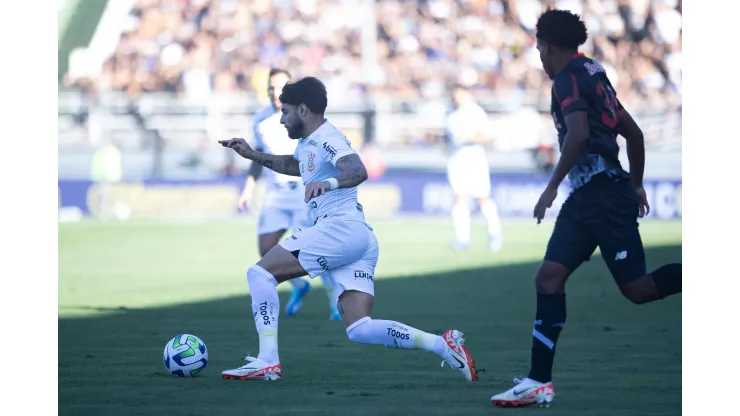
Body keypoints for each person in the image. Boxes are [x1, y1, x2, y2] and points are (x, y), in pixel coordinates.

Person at [219, 77, 478, 382]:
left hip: (337, 229)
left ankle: (267, 361)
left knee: (259, 274)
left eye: (286, 112)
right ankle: (442, 345)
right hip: (358, 237)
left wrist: (326, 183)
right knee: (359, 328)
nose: (281, 118)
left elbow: (358, 169)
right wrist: (253, 155)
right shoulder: (309, 142)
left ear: (303, 110)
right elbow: (295, 166)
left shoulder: (330, 138)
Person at [490, 9, 682, 408]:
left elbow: (577, 136)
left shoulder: (567, 79)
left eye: (539, 48)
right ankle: (538, 381)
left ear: (547, 46)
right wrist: (636, 183)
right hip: (594, 197)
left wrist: (550, 187)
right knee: (548, 279)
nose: (539, 56)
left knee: (639, 290)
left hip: (601, 199)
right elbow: (633, 133)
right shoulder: (594, 71)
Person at [238, 68, 338, 320]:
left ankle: (335, 300)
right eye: (270, 87)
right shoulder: (260, 119)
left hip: (304, 194)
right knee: (267, 248)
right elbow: (258, 156)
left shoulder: (303, 114)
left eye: (279, 87)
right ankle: (300, 285)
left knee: (312, 249)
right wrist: (249, 187)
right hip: (275, 193)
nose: (274, 92)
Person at [445, 85, 503, 252]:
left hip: (474, 158)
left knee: (482, 197)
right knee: (458, 198)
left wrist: (468, 138)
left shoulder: (475, 112)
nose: (457, 98)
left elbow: (488, 136)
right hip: (456, 158)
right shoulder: (450, 113)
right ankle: (462, 239)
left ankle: (494, 232)